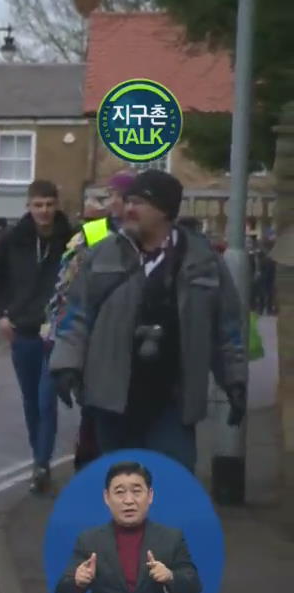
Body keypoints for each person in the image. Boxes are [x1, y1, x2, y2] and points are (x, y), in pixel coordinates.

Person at [51, 171, 247, 471]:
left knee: (171, 490)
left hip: (173, 403)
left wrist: (235, 381)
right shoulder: (102, 254)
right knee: (123, 494)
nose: (128, 208)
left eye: (140, 202)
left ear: (166, 210)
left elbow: (227, 328)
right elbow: (76, 315)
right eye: (128, 200)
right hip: (112, 400)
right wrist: (66, 365)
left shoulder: (202, 260)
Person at [54, 461, 202, 593]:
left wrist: (170, 577)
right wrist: (77, 582)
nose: (129, 500)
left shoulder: (171, 538)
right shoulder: (89, 541)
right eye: (120, 492)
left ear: (150, 496)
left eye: (136, 491)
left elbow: (193, 587)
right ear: (107, 497)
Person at [46, 172, 135, 472]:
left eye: (115, 196)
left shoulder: (152, 236)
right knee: (95, 418)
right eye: (110, 195)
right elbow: (69, 282)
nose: (111, 202)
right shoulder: (94, 232)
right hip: (95, 336)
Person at [0, 180, 72, 493]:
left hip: (57, 330)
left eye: (49, 204)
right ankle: (40, 456)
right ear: (29, 206)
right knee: (31, 400)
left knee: (46, 398)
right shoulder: (12, 239)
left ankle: (41, 463)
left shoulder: (73, 236)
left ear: (57, 204)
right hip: (22, 328)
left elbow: (110, 237)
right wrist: (1, 314)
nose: (44, 211)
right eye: (38, 205)